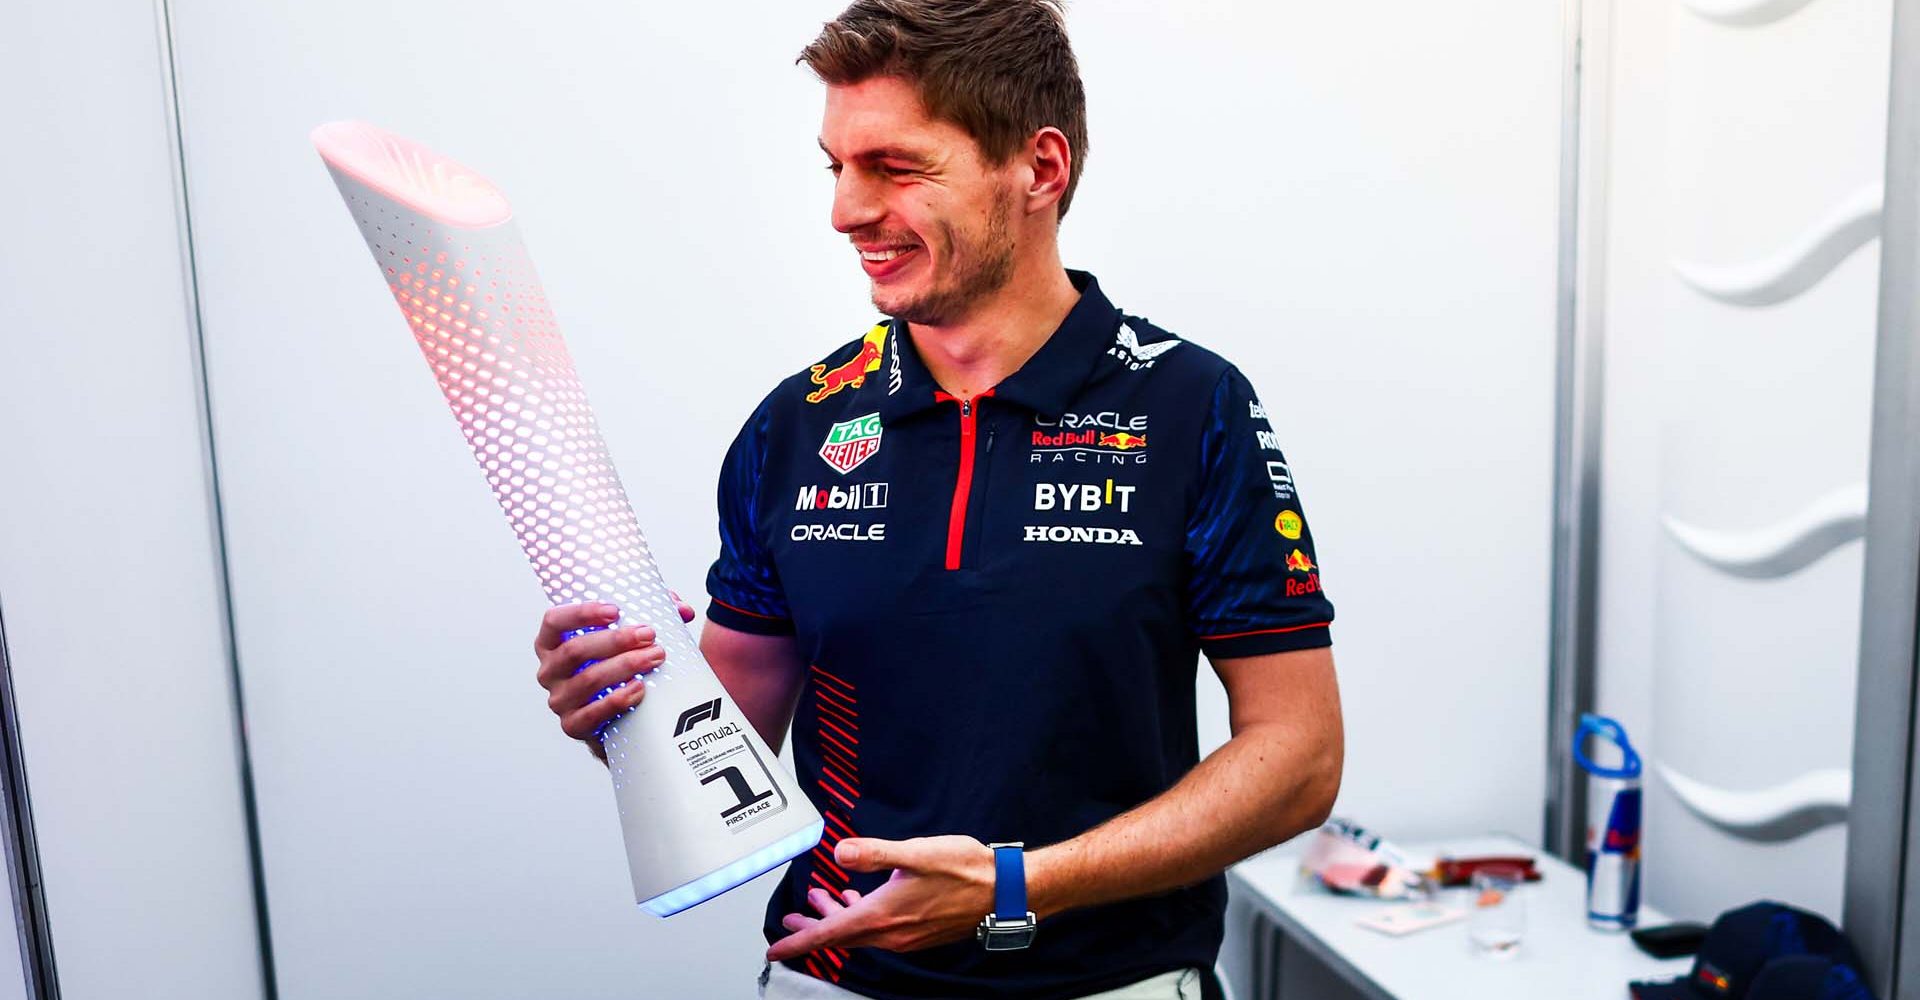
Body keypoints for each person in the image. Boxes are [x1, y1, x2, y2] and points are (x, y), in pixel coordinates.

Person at [532, 2, 1344, 997]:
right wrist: (622, 713)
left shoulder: (1192, 407)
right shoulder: (797, 424)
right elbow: (720, 763)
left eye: (895, 167)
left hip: (1113, 982)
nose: (844, 210)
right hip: (833, 977)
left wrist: (1019, 884)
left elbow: (1300, 756)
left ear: (1039, 169)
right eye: (836, 165)